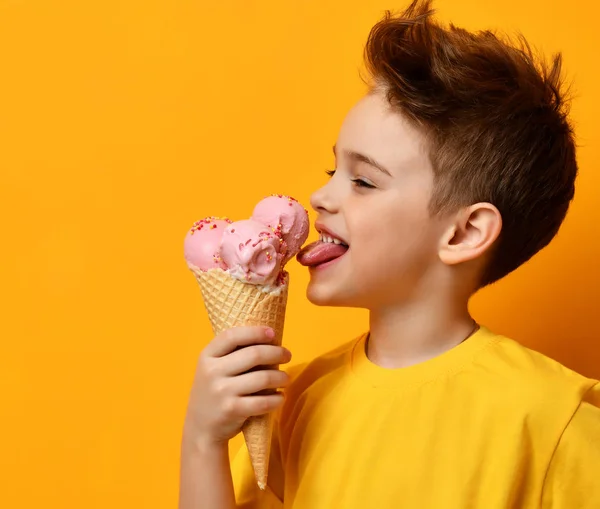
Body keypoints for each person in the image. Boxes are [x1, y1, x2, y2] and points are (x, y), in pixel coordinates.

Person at [178, 1, 600, 507]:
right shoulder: (287, 400)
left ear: (464, 233)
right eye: (331, 170)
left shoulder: (555, 417)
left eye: (364, 180)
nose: (321, 197)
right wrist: (202, 441)